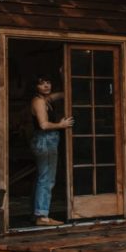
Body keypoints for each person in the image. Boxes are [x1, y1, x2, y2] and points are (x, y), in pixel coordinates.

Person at [30, 75, 73, 226]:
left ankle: (37, 213)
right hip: (45, 140)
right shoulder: (39, 101)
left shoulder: (45, 99)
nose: (46, 86)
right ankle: (42, 216)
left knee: (42, 177)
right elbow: (43, 125)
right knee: (47, 179)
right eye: (42, 84)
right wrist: (61, 125)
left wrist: (64, 74)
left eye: (48, 82)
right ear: (36, 87)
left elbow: (63, 94)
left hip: (44, 140)